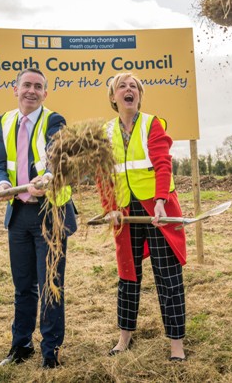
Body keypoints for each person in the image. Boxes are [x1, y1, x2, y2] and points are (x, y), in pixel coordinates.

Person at [0, 67, 77, 369]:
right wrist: (1, 183)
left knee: (50, 285)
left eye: (38, 87)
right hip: (18, 216)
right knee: (23, 286)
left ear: (45, 93)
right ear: (15, 89)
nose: (31, 91)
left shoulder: (54, 120)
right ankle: (20, 346)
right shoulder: (5, 121)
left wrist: (49, 177)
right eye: (26, 85)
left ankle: (50, 351)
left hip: (49, 215)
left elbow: (58, 157)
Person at [100, 72, 187, 361]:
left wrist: (161, 201)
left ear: (139, 95)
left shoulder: (153, 124)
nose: (128, 89)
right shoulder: (105, 132)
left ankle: (176, 344)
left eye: (133, 86)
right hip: (124, 212)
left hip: (157, 210)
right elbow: (103, 175)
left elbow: (163, 164)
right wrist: (109, 206)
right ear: (113, 97)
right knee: (128, 274)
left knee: (167, 274)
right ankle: (124, 337)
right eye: (121, 86)